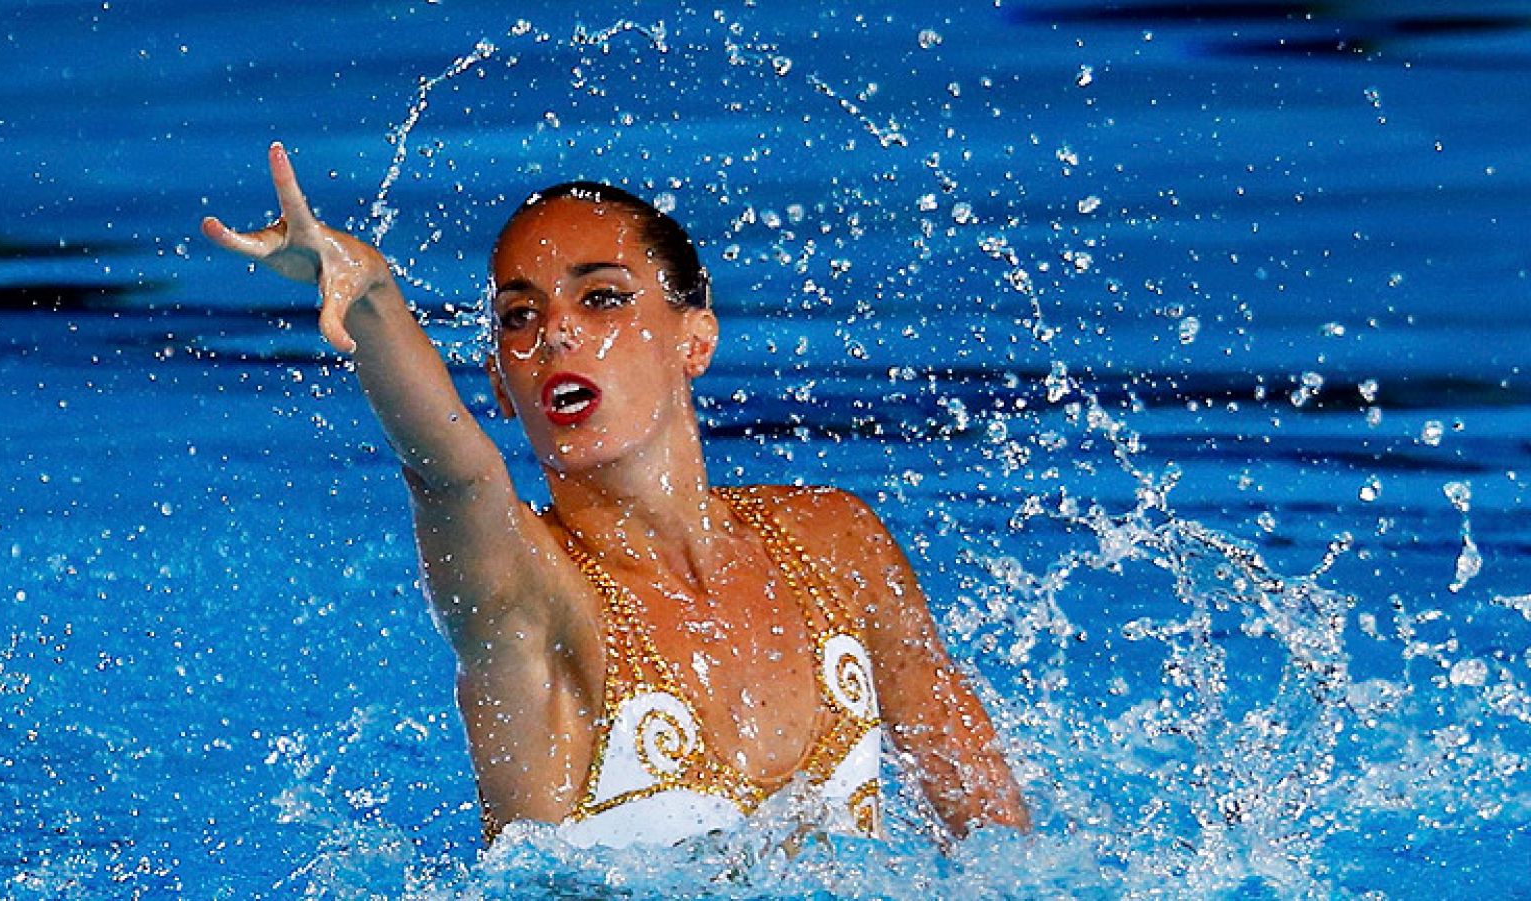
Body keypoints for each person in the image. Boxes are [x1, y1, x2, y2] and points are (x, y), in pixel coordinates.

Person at [202, 143, 1029, 848]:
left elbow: (1000, 843)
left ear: (695, 337)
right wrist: (372, 293)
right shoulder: (530, 600)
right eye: (519, 317)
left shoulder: (836, 543)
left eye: (601, 297)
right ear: (499, 382)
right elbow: (453, 474)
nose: (555, 330)